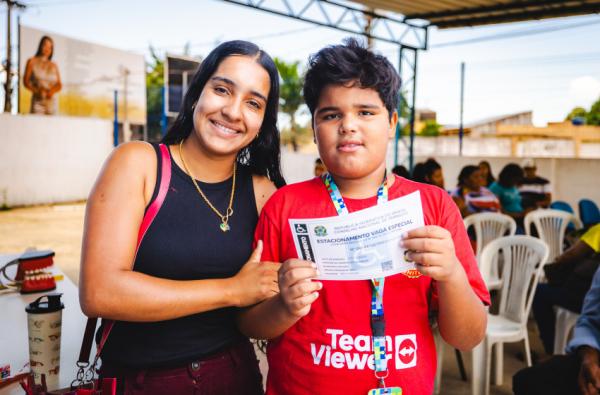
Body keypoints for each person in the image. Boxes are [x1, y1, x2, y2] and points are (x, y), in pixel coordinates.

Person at [238, 39, 490, 395]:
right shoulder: (284, 207)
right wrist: (284, 306)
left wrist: (450, 275)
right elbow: (250, 322)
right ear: (313, 128)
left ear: (392, 122)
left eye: (366, 112)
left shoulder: (433, 206)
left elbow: (469, 336)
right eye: (330, 114)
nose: (348, 125)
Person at [79, 40, 285, 394]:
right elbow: (100, 292)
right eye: (222, 90)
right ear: (196, 94)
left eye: (253, 103)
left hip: (235, 377)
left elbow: (260, 314)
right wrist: (231, 290)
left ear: (263, 122)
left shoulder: (264, 192)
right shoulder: (138, 164)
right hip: (142, 382)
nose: (233, 112)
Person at [513, 265, 600, 395]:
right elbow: (590, 319)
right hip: (593, 358)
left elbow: (570, 258)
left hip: (576, 292)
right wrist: (588, 355)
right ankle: (551, 349)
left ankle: (550, 348)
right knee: (525, 380)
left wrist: (559, 263)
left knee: (540, 293)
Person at [532, 223, 600, 355]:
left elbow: (572, 255)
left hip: (585, 301)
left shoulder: (598, 230)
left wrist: (558, 260)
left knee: (540, 292)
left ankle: (551, 350)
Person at [23, 35, 62, 115]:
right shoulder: (31, 61)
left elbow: (59, 84)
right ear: (40, 45)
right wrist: (37, 91)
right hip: (38, 101)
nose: (47, 49)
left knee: (53, 125)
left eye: (50, 47)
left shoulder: (54, 65)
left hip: (52, 102)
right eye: (45, 45)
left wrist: (52, 91)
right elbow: (26, 82)